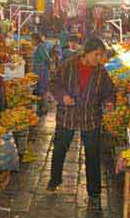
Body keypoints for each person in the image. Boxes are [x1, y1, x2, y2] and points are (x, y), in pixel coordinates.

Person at [48, 37, 116, 203]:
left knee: (93, 154)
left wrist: (109, 102)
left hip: (90, 118)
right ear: (86, 53)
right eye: (97, 55)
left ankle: (94, 192)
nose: (99, 59)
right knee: (59, 149)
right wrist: (62, 96)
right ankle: (54, 180)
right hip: (67, 116)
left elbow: (110, 91)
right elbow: (54, 84)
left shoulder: (101, 72)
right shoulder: (68, 65)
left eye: (101, 55)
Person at [31, 33, 52, 115]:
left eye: (32, 40)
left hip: (41, 72)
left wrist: (46, 68)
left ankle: (43, 109)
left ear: (36, 39)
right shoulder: (40, 46)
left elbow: (47, 59)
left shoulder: (41, 47)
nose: (31, 42)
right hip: (39, 71)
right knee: (39, 90)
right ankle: (41, 108)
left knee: (42, 90)